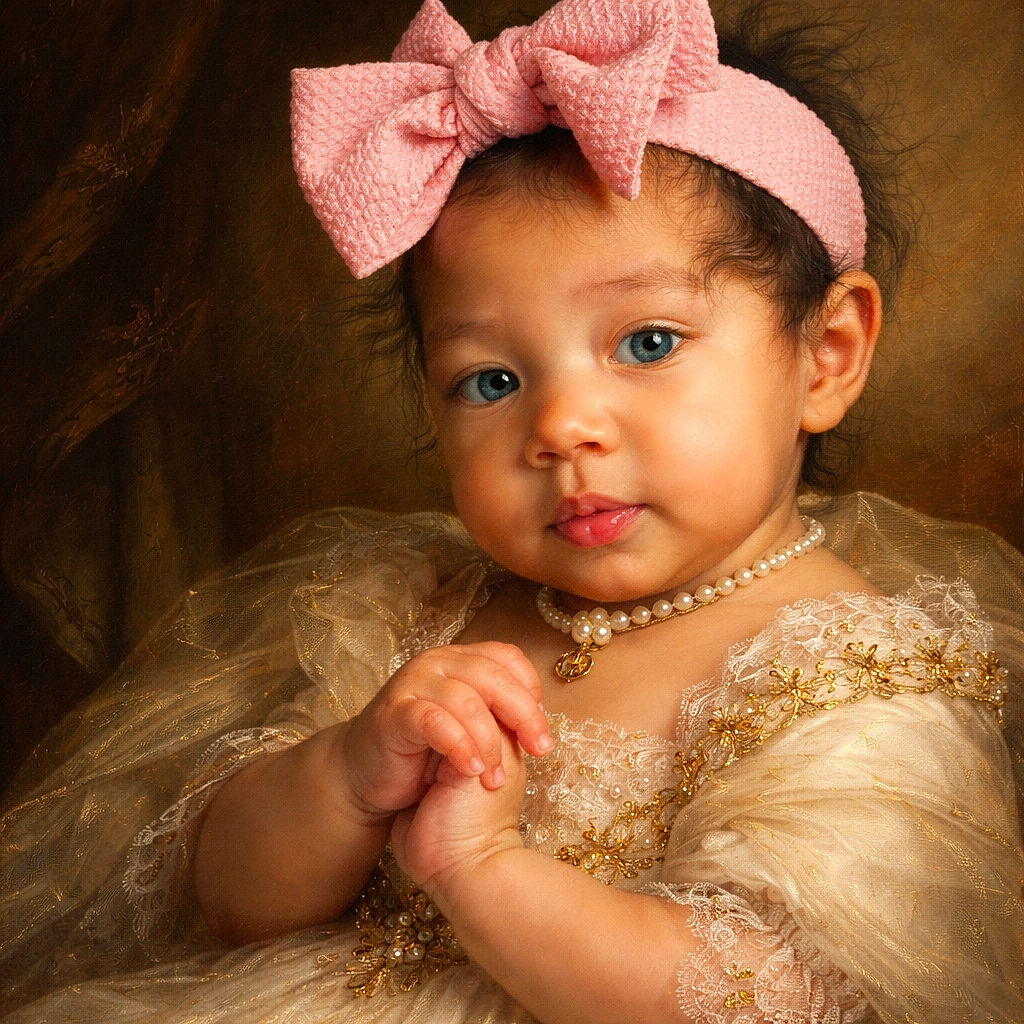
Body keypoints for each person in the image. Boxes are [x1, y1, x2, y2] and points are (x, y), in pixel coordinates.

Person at [2, 0, 1022, 1021]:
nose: (561, 425)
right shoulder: (406, 608)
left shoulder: (860, 677)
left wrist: (479, 867)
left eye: (649, 343)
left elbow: (766, 998)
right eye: (488, 381)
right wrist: (349, 774)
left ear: (826, 354)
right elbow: (225, 904)